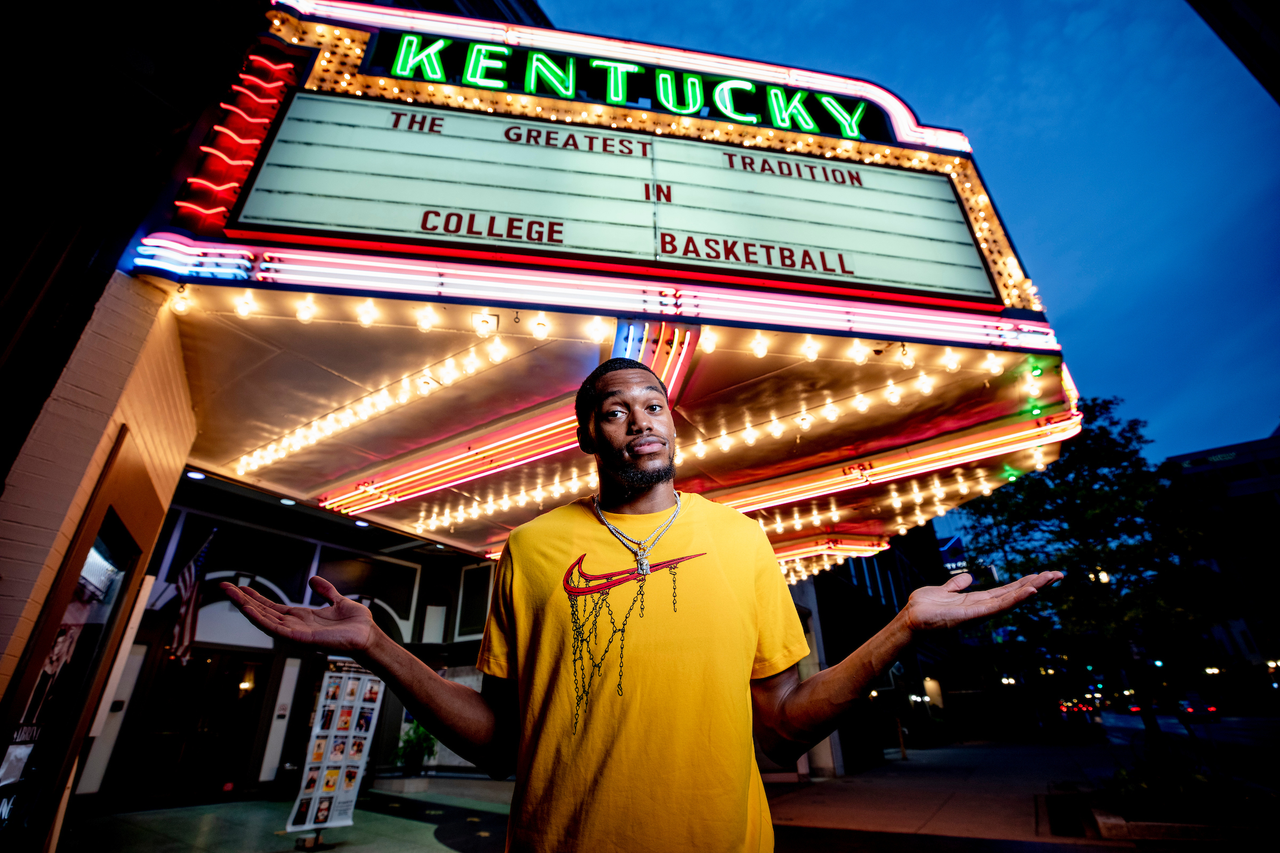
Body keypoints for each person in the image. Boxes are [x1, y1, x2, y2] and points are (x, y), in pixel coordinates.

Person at [224, 357, 1061, 852]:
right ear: (589, 434)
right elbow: (499, 739)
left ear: (673, 424)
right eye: (614, 411)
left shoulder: (740, 540)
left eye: (653, 406)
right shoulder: (531, 549)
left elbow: (786, 723)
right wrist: (378, 645)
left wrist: (904, 627)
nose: (640, 421)